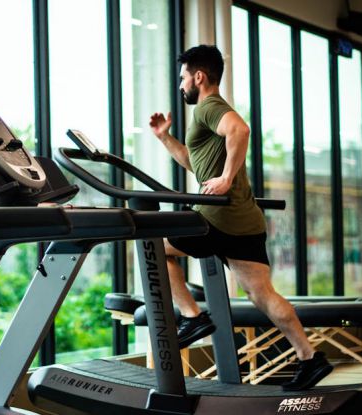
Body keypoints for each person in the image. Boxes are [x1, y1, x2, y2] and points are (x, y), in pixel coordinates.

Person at [148, 44, 332, 391]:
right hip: (245, 221)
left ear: (198, 77)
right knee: (262, 294)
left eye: (183, 77)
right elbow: (195, 163)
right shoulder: (209, 114)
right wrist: (165, 138)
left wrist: (227, 179)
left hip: (216, 217)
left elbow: (241, 131)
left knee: (154, 245)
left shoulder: (209, 107)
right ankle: (310, 357)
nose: (181, 85)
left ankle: (192, 317)